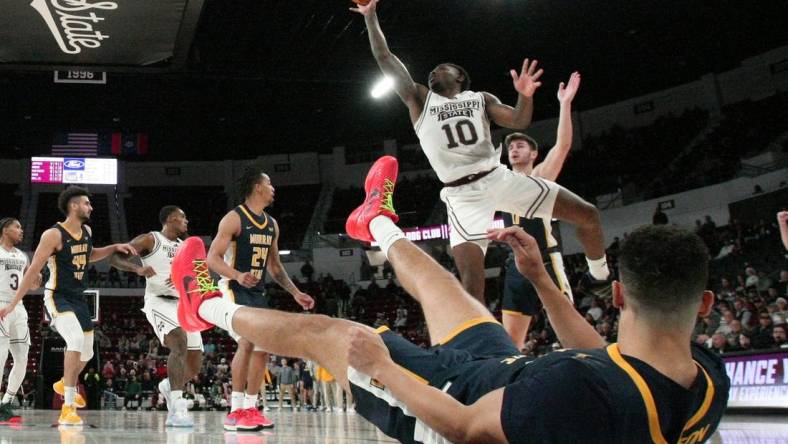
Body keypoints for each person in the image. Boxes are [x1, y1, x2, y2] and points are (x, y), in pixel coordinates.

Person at [173, 157, 729, 443]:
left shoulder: (579, 399)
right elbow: (605, 355)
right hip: (508, 373)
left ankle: (206, 304)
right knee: (448, 289)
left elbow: (465, 429)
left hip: (455, 399)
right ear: (703, 304)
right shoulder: (705, 376)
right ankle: (379, 222)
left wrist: (383, 370)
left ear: (618, 293)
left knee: (334, 335)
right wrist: (540, 282)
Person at [351, 0, 610, 303]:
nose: (433, 72)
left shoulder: (481, 99)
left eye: (441, 69)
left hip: (498, 177)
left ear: (460, 76)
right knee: (472, 285)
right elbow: (385, 57)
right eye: (431, 72)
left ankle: (600, 277)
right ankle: (479, 348)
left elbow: (518, 120)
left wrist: (525, 96)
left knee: (588, 215)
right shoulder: (420, 99)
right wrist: (370, 16)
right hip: (462, 196)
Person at [0, 186, 135, 426]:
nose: (91, 207)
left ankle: (64, 382)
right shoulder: (53, 234)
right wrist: (12, 304)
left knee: (88, 352)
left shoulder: (87, 231)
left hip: (78, 298)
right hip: (57, 296)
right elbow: (33, 270)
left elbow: (89, 255)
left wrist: (114, 247)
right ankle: (68, 406)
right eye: (86, 203)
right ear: (73, 206)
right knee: (73, 341)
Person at [206, 164, 314, 431]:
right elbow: (212, 259)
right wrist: (238, 275)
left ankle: (251, 408)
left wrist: (295, 292)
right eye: (269, 183)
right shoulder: (233, 218)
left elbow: (275, 267)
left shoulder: (271, 225)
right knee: (247, 340)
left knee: (262, 348)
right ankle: (234, 412)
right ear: (257, 187)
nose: (273, 188)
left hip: (257, 293)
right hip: (232, 288)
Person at [499, 72, 580, 350]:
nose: (514, 149)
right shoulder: (500, 183)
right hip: (515, 263)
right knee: (510, 342)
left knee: (569, 328)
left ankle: (588, 375)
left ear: (533, 154)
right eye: (511, 147)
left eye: (520, 145)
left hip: (545, 257)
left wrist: (565, 104)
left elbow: (563, 146)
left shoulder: (541, 175)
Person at [109, 205, 201, 427]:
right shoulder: (150, 240)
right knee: (179, 342)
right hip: (158, 301)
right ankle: (177, 407)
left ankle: (169, 386)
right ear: (170, 218)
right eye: (183, 217)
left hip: (183, 303)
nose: (186, 221)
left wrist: (185, 278)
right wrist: (137, 270)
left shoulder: (184, 246)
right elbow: (114, 258)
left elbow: (196, 274)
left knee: (195, 365)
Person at [0, 218, 37, 423]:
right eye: (17, 227)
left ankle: (6, 402)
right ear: (5, 230)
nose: (21, 231)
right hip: (0, 304)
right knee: (0, 355)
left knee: (23, 357)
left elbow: (31, 285)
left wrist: (37, 279)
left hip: (18, 306)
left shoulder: (22, 255)